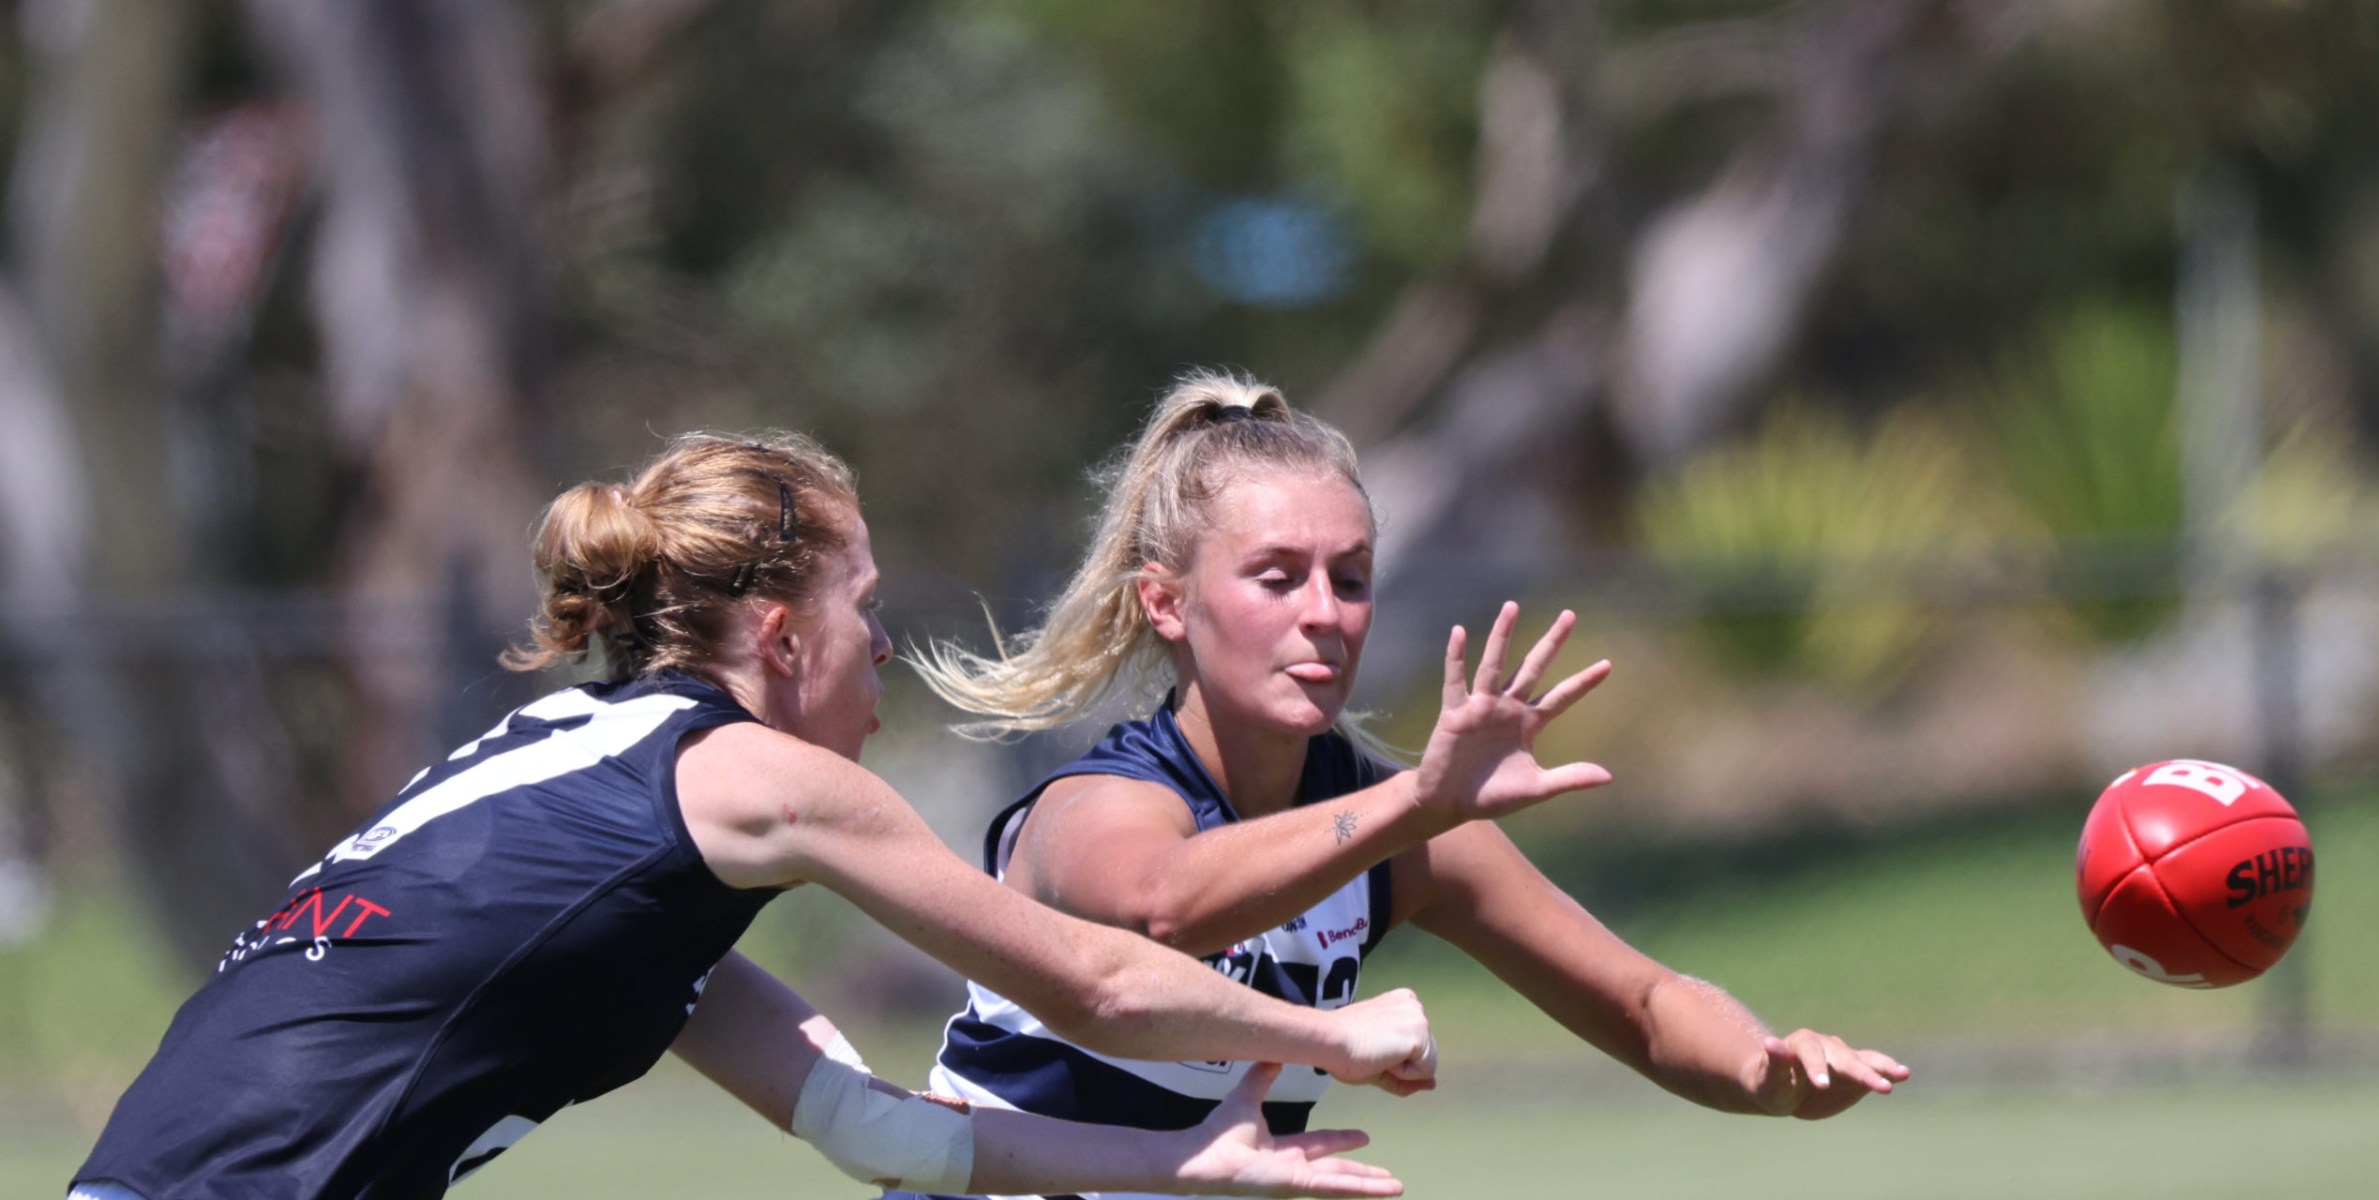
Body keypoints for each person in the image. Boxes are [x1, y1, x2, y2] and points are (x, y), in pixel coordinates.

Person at [67, 432, 1439, 1200]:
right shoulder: (752, 781)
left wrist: (1183, 1162)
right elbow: (1091, 978)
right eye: (866, 606)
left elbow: (876, 1129)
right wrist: (1333, 1035)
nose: (884, 646)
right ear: (782, 638)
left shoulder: (605, 828)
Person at [902, 372, 1911, 1199]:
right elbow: (1164, 907)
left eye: (1349, 578)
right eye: (1276, 577)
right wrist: (1417, 805)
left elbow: (1643, 1001)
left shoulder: (1399, 826)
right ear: (1167, 603)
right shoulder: (1094, 806)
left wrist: (1764, 1070)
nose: (1325, 613)